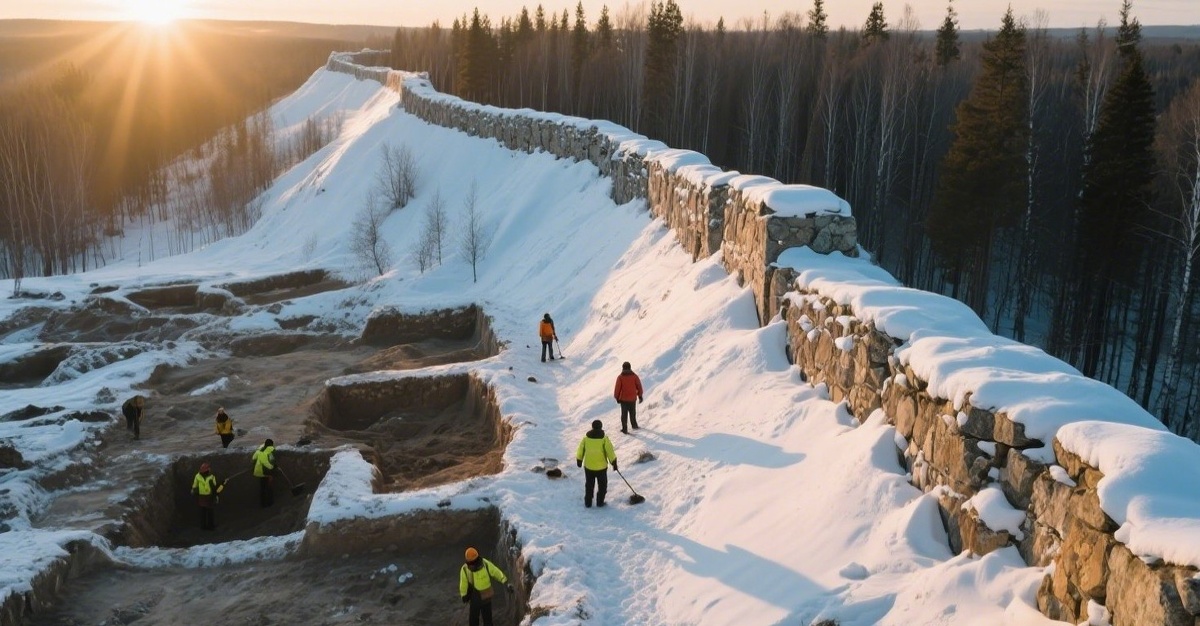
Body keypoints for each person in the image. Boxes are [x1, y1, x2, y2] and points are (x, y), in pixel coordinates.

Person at [459, 546, 512, 626]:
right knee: (476, 620)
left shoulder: (484, 564)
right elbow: (463, 583)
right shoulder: (465, 569)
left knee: (485, 620)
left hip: (484, 598)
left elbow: (495, 571)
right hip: (476, 597)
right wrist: (464, 595)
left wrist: (504, 580)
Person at [576, 419, 617, 508]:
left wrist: (579, 459)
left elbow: (580, 450)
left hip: (589, 466)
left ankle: (588, 502)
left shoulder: (586, 438)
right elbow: (610, 451)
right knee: (602, 486)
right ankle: (600, 502)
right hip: (601, 467)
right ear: (601, 427)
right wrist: (614, 462)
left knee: (589, 485)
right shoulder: (604, 439)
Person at [190, 462, 223, 530]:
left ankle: (204, 526)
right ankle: (210, 526)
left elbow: (195, 485)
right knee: (209, 511)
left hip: (202, 496)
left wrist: (193, 490)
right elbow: (214, 487)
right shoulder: (211, 477)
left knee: (203, 511)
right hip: (208, 496)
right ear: (207, 469)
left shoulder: (198, 476)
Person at [613, 361, 644, 433]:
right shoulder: (634, 376)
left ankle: (625, 429)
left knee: (624, 415)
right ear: (630, 367)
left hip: (624, 399)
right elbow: (639, 386)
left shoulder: (620, 377)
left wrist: (617, 397)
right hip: (632, 398)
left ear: (623, 368)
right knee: (632, 413)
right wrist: (640, 396)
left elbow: (617, 388)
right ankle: (634, 425)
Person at [252, 438, 276, 507]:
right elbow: (268, 464)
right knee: (269, 487)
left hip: (258, 472)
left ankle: (262, 504)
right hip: (266, 472)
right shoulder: (268, 452)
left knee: (262, 488)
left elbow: (253, 458)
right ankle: (270, 503)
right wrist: (273, 468)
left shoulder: (259, 450)